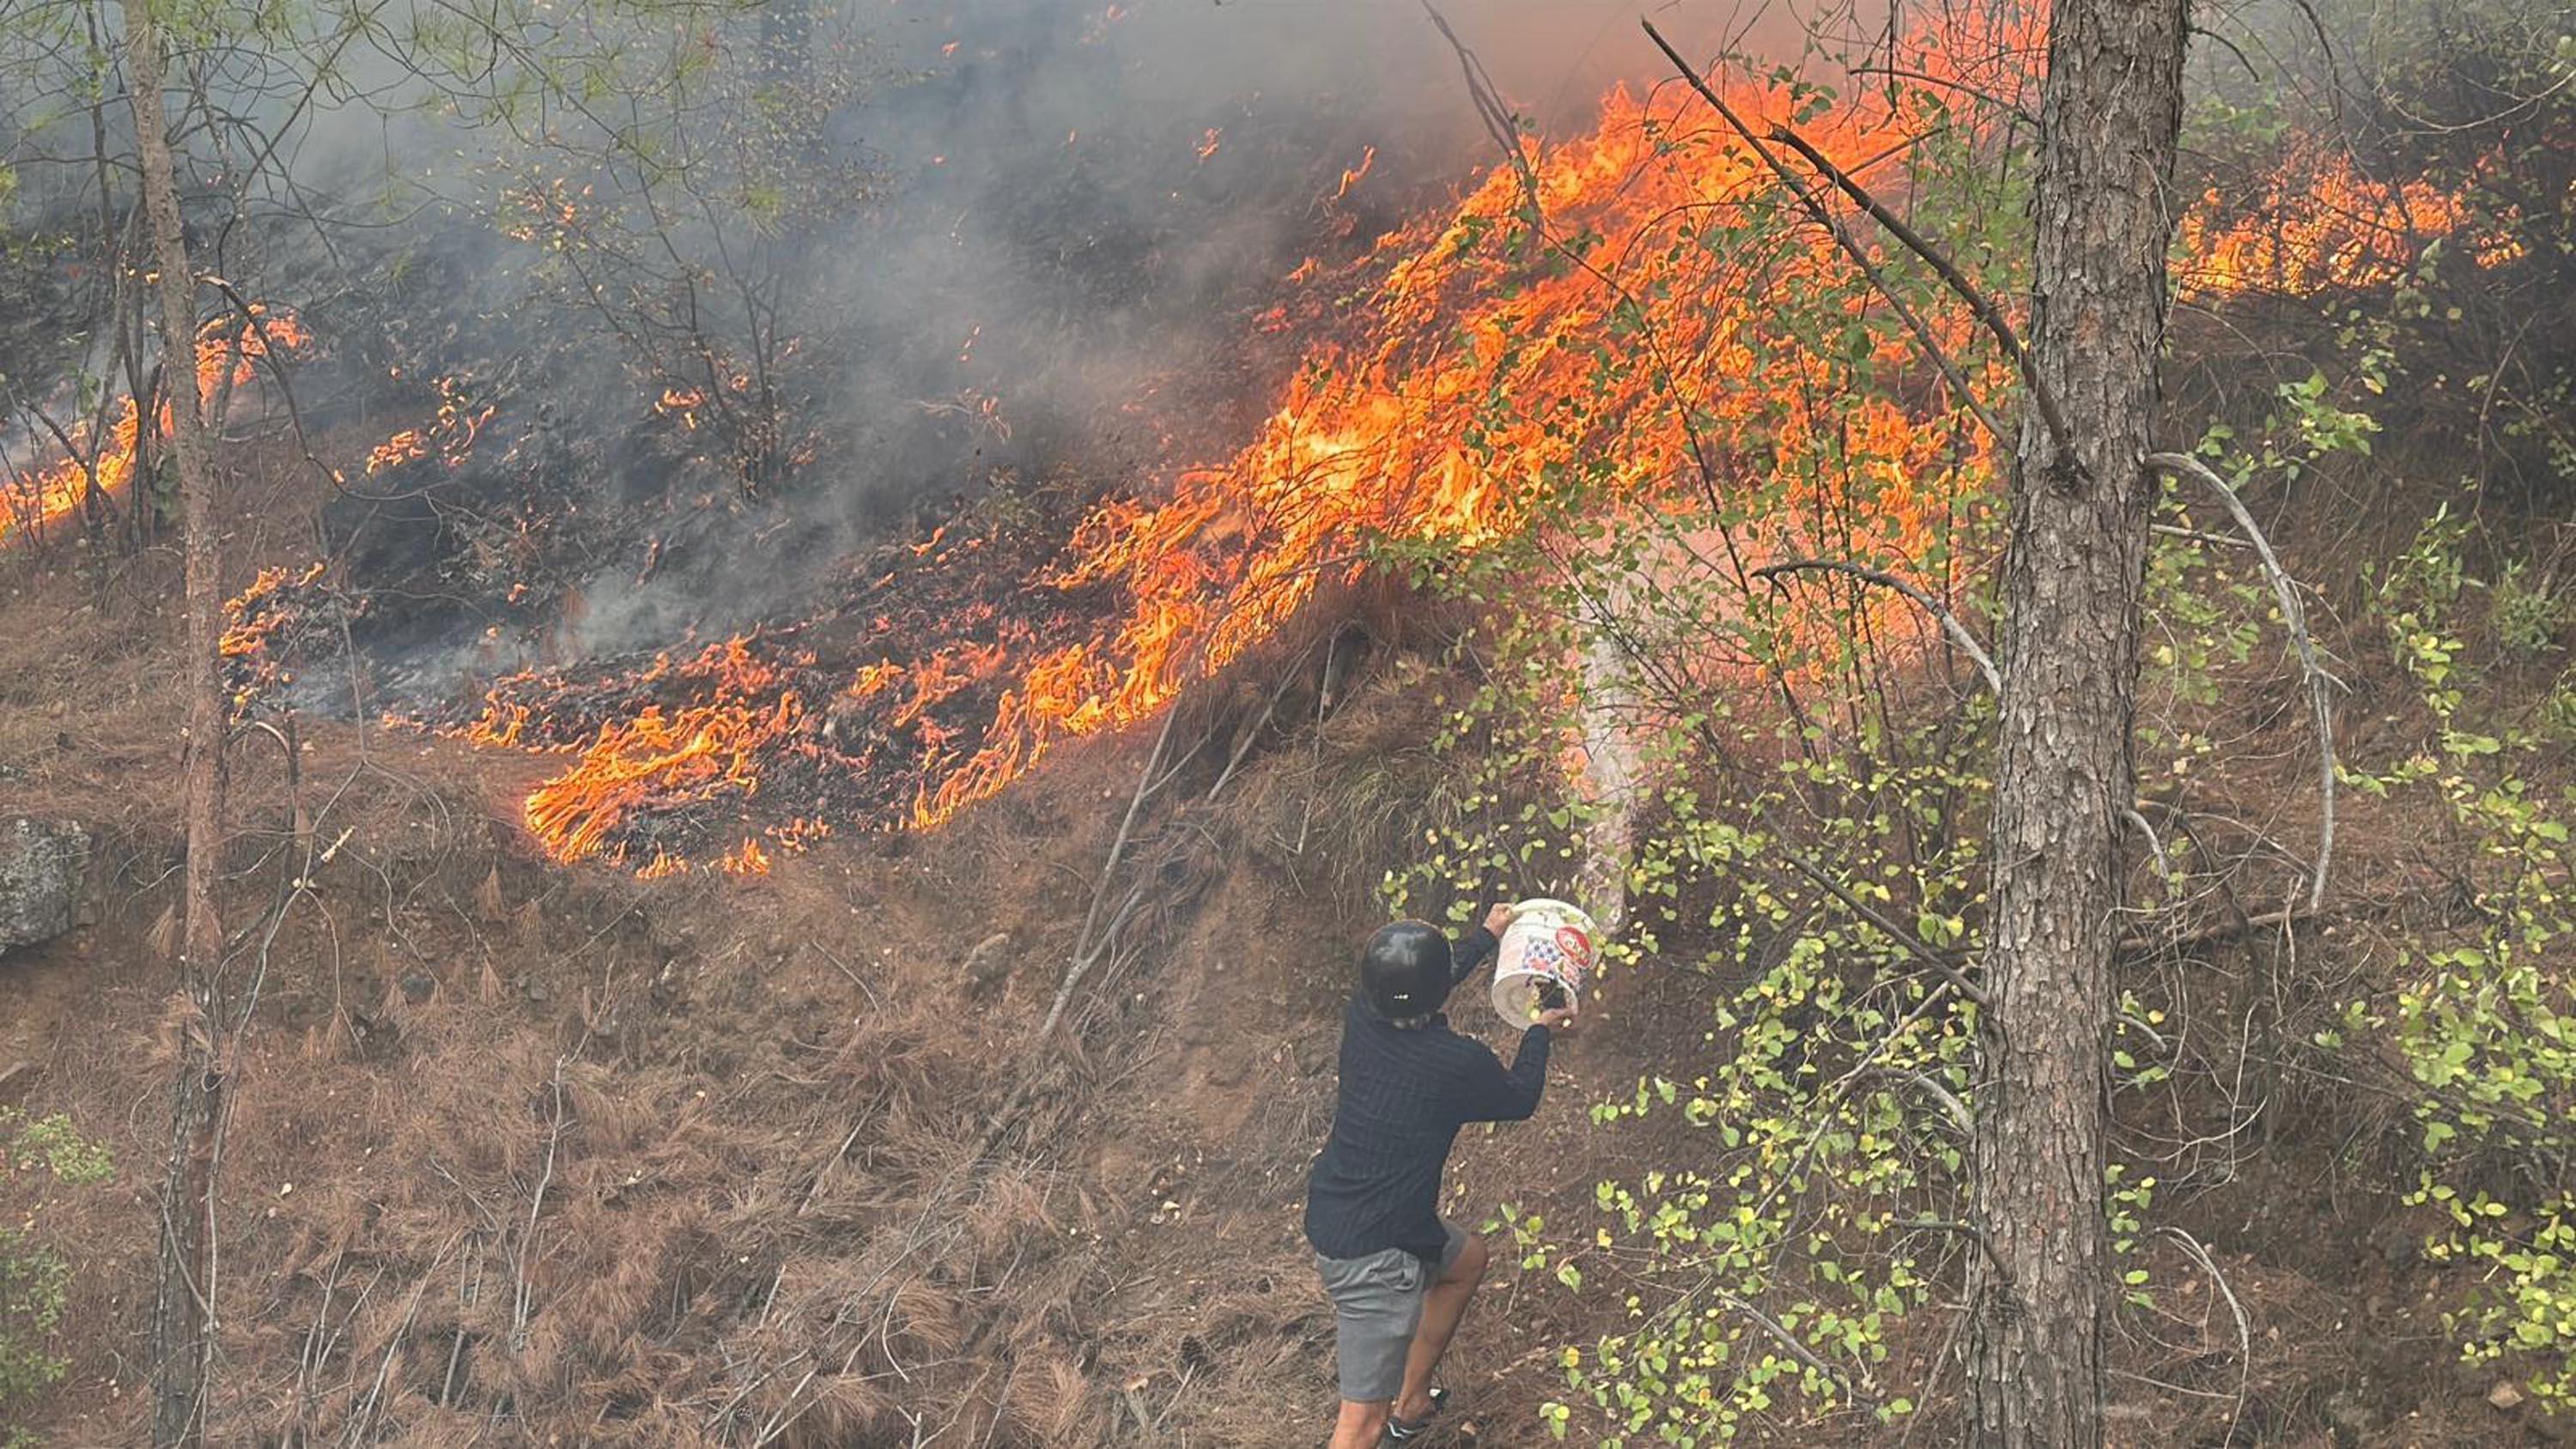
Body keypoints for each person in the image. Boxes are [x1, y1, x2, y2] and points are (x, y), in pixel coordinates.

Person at [1304, 904, 1577, 1446]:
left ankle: (1412, 1403)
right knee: (1360, 1426)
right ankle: (1391, 1416)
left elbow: (1422, 984)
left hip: (1346, 1208)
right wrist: (1538, 1031)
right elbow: (1519, 1098)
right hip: (1373, 1255)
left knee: (1466, 1261)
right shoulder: (1454, 1064)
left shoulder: (1363, 1015)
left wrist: (1486, 937)